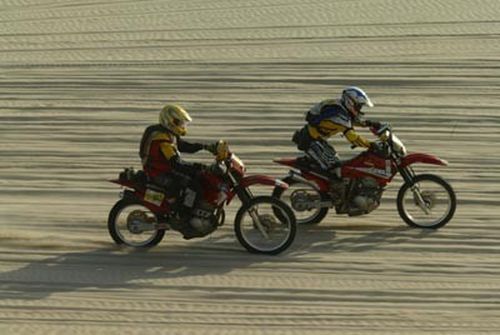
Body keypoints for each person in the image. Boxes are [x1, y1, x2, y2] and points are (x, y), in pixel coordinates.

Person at [139, 104, 220, 237]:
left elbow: (182, 146)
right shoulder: (161, 138)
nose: (182, 125)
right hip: (157, 172)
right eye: (179, 122)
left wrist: (206, 147)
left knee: (195, 179)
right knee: (192, 186)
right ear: (169, 121)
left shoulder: (168, 133)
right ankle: (182, 218)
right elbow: (175, 163)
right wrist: (197, 167)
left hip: (162, 168)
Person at [292, 86, 381, 178]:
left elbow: (351, 121)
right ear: (350, 102)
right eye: (359, 106)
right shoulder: (339, 115)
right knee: (334, 168)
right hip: (312, 141)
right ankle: (329, 191)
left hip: (317, 138)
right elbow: (353, 138)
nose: (359, 109)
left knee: (337, 163)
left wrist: (370, 124)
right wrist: (371, 145)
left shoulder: (338, 106)